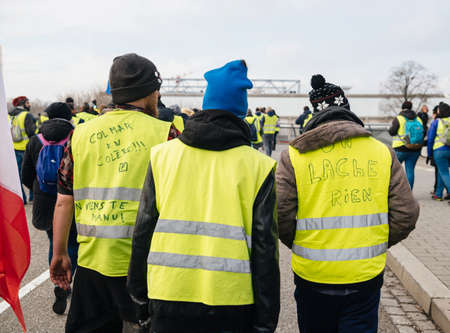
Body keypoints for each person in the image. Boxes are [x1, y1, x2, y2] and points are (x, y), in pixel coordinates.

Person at [127, 60, 280, 333]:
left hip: (167, 294)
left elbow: (143, 231)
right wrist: (265, 321)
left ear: (206, 104)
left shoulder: (163, 156)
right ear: (241, 110)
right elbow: (265, 250)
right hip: (232, 302)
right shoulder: (258, 166)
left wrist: (139, 301)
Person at [276, 74, 419, 333]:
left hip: (313, 274)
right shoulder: (380, 151)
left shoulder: (294, 156)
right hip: (364, 275)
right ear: (346, 109)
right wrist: (374, 242)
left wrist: (302, 244)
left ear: (314, 115)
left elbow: (280, 216)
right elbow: (405, 214)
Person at [50, 53, 176, 333]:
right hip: (146, 266)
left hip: (93, 263)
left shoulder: (80, 134)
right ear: (151, 92)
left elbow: (63, 200)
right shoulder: (167, 133)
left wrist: (59, 253)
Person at [21, 102, 78, 315]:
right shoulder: (76, 135)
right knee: (72, 240)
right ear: (68, 116)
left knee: (54, 241)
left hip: (44, 200)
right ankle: (69, 278)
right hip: (71, 198)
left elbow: (26, 173)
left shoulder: (35, 139)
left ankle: (58, 282)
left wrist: (36, 190)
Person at [388, 100, 424, 189]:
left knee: (394, 171)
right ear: (411, 108)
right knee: (410, 171)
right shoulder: (418, 119)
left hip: (400, 148)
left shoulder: (399, 118)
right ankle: (409, 193)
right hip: (415, 148)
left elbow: (392, 132)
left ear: (402, 107)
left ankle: (393, 191)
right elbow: (423, 132)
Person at [9, 95, 36, 204]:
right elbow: (31, 132)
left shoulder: (10, 116)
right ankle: (33, 197)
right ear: (23, 104)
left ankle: (22, 198)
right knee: (32, 173)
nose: (29, 104)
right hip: (27, 149)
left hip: (15, 149)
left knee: (19, 175)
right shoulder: (26, 115)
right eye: (28, 102)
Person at [427, 102, 450, 202]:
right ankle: (438, 194)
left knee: (444, 172)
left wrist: (429, 153)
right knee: (442, 171)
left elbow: (430, 139)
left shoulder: (436, 122)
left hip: (439, 150)